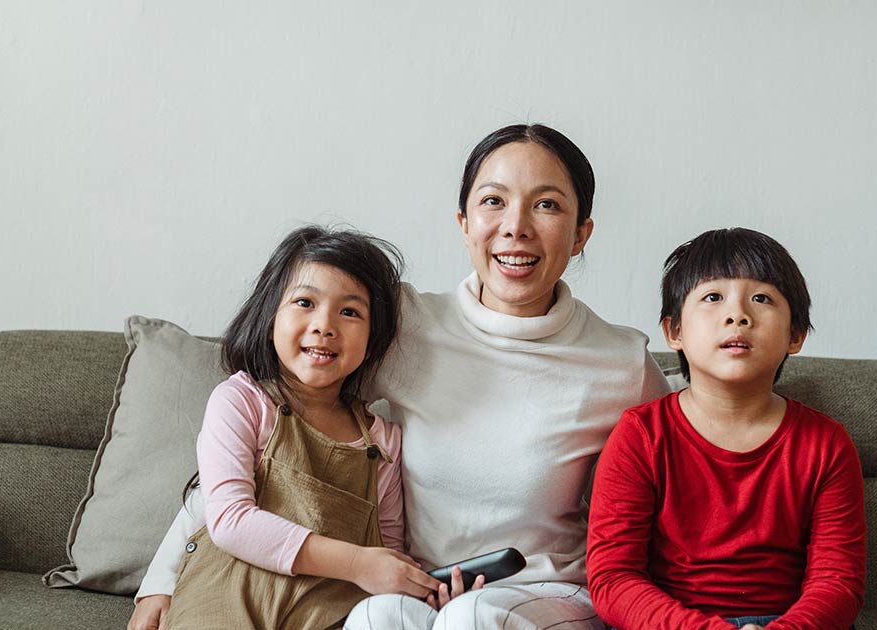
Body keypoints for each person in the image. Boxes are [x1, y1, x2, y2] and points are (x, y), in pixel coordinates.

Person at [128, 124, 671, 630]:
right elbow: (269, 429)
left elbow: (689, 479)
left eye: (547, 205)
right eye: (493, 201)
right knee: (376, 616)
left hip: (549, 591)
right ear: (464, 224)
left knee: (471, 619)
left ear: (581, 234)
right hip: (421, 585)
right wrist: (161, 575)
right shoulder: (403, 326)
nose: (516, 226)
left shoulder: (619, 363)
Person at [158, 225, 443, 629]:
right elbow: (230, 520)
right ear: (270, 314)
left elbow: (387, 550)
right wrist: (358, 563)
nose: (325, 325)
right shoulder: (242, 401)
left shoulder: (383, 441)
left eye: (350, 311)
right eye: (305, 302)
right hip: (223, 606)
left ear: (373, 336)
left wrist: (414, 585)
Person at [586, 228, 866, 630]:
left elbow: (838, 583)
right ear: (674, 332)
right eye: (713, 297)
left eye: (762, 298)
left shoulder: (826, 444)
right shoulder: (640, 436)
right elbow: (613, 579)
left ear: (796, 335)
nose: (738, 315)